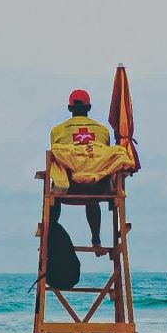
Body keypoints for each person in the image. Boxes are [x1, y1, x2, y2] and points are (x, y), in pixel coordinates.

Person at [49, 89, 111, 247]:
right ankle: (96, 239)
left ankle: (51, 234)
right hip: (97, 188)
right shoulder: (103, 131)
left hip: (69, 187)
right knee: (92, 176)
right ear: (89, 108)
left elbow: (57, 160)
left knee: (52, 193)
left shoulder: (57, 131)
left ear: (69, 108)